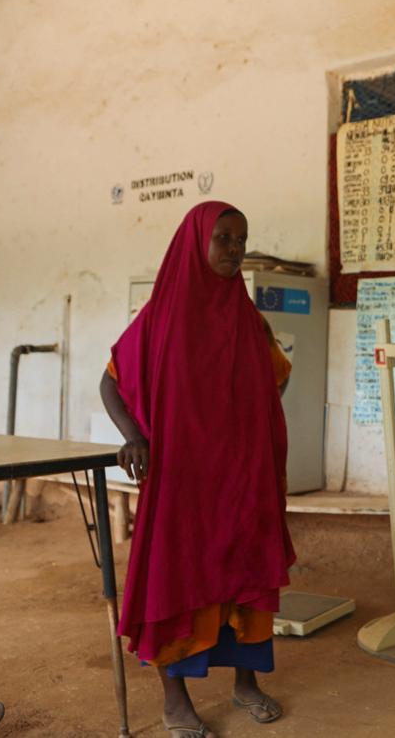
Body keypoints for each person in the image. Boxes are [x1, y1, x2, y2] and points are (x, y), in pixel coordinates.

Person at [99, 201, 295, 738]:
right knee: (178, 577)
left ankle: (246, 683)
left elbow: (278, 376)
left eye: (241, 240)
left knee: (247, 573)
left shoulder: (250, 319)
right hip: (182, 479)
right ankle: (174, 701)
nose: (234, 250)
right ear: (196, 242)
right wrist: (134, 435)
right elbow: (111, 381)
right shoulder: (160, 318)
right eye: (224, 239)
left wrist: (249, 414)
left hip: (241, 475)